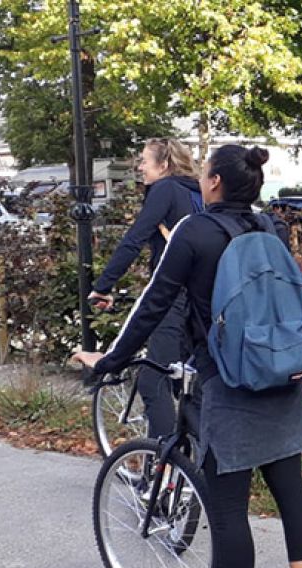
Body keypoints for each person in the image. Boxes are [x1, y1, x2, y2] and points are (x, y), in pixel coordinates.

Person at [73, 145, 302, 568]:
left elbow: (154, 304)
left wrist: (111, 360)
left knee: (228, 507)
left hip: (229, 385)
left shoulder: (195, 232)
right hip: (284, 378)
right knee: (290, 490)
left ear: (211, 183)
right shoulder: (272, 230)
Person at [89, 138, 204, 439]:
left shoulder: (164, 189)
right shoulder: (198, 192)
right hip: (203, 297)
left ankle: (164, 466)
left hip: (173, 296)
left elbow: (134, 238)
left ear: (163, 164)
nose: (139, 167)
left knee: (153, 380)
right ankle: (194, 461)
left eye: (144, 160)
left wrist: (103, 286)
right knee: (187, 380)